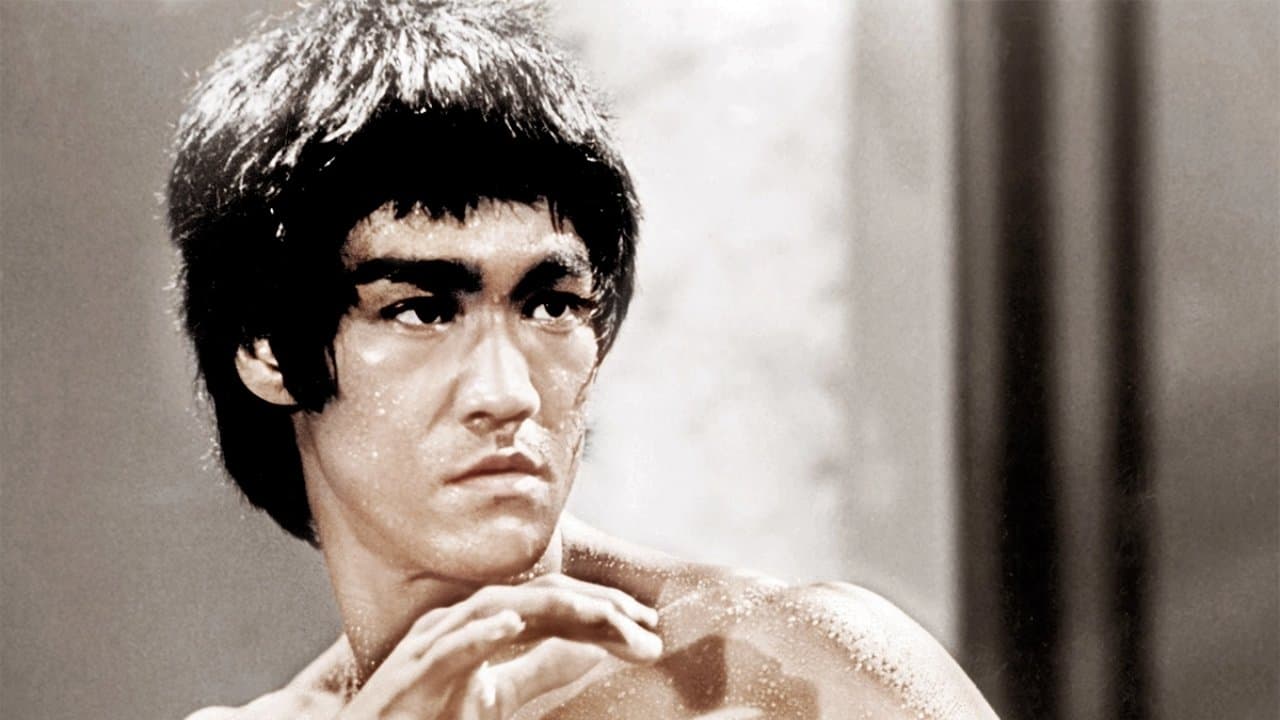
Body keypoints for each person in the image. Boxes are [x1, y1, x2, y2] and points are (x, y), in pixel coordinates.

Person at [169, 2, 996, 718]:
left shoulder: (794, 676)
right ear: (265, 348)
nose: (508, 393)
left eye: (551, 305)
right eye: (422, 310)